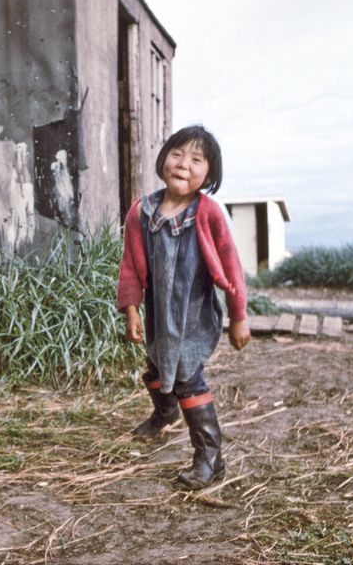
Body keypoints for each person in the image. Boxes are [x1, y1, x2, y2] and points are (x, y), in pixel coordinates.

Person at [116, 124, 251, 490]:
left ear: (209, 174)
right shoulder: (141, 212)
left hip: (194, 312)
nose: (183, 165)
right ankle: (164, 411)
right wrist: (131, 309)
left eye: (196, 160)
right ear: (163, 160)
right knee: (157, 366)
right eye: (177, 154)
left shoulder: (207, 213)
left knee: (188, 376)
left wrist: (239, 316)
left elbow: (231, 264)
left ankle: (210, 457)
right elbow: (129, 263)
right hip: (159, 311)